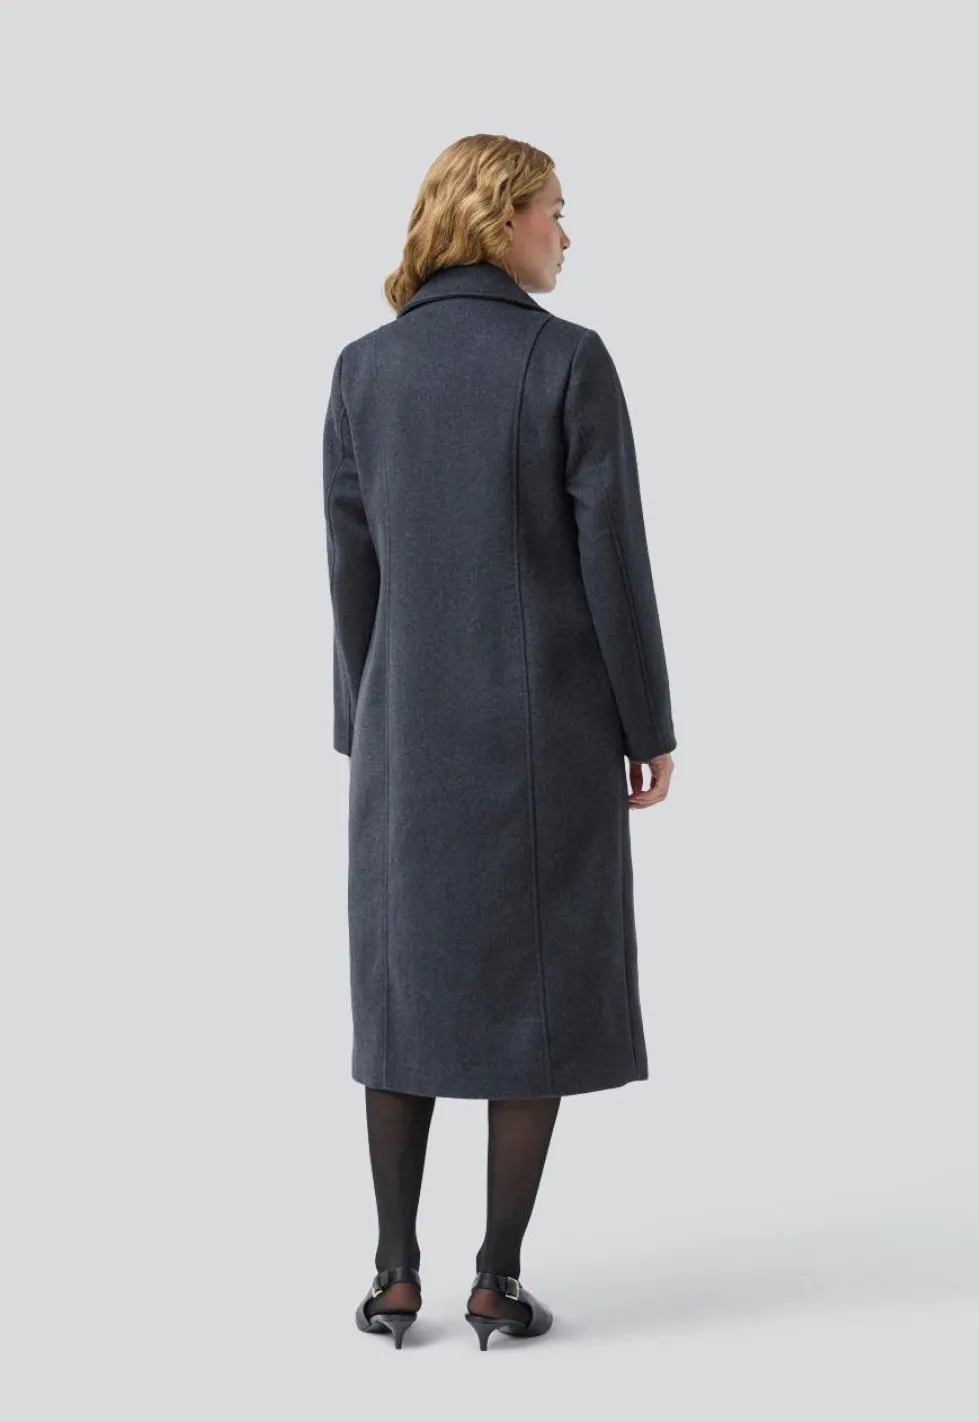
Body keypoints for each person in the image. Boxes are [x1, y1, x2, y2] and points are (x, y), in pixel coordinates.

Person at [322, 134, 677, 1350]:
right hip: (546, 736)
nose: (565, 235)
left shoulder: (364, 371)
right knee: (534, 992)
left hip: (404, 738)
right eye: (553, 212)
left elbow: (351, 573)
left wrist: (364, 722)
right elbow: (612, 563)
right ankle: (494, 1281)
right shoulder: (565, 360)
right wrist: (646, 724)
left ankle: (393, 1278)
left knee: (402, 992)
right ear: (498, 218)